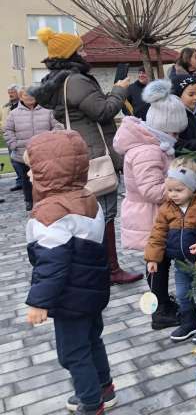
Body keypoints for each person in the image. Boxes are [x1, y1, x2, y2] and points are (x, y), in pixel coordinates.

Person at [30, 27, 142, 285]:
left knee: (88, 214)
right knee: (104, 213)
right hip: (95, 156)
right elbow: (103, 111)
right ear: (71, 54)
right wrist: (119, 89)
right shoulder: (77, 80)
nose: (85, 52)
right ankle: (110, 270)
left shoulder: (58, 82)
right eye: (80, 49)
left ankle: (96, 269)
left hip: (79, 153)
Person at [25, 130, 116, 415]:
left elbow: (52, 264)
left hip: (69, 298)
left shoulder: (50, 213)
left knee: (73, 353)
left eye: (33, 168)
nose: (29, 174)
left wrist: (39, 301)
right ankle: (105, 388)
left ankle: (91, 402)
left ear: (49, 172)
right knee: (92, 340)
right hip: (91, 291)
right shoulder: (87, 197)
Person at [113, 79, 188, 331]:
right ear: (165, 127)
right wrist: (181, 190)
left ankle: (163, 302)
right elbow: (151, 190)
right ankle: (160, 313)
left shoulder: (155, 145)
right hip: (149, 217)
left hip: (154, 215)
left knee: (159, 262)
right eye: (176, 132)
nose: (177, 137)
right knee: (157, 263)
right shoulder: (148, 151)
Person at [145, 157, 196, 343]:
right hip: (180, 263)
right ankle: (188, 322)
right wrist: (153, 259)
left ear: (192, 187)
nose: (173, 194)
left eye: (178, 190)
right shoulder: (167, 209)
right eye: (169, 190)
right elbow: (157, 235)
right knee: (182, 293)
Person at [3, 87, 63, 210]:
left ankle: (47, 200)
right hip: (22, 153)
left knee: (46, 178)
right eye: (26, 95)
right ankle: (29, 201)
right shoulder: (14, 113)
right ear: (21, 97)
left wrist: (51, 141)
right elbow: (8, 130)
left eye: (32, 95)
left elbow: (58, 126)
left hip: (45, 152)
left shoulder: (48, 111)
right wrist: (13, 144)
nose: (29, 97)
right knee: (26, 180)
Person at [2, 84, 22, 191]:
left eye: (12, 92)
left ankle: (26, 181)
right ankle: (20, 181)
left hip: (21, 135)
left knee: (24, 160)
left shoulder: (23, 105)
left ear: (18, 93)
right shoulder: (5, 107)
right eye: (9, 92)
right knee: (13, 160)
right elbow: (2, 120)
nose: (10, 94)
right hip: (9, 136)